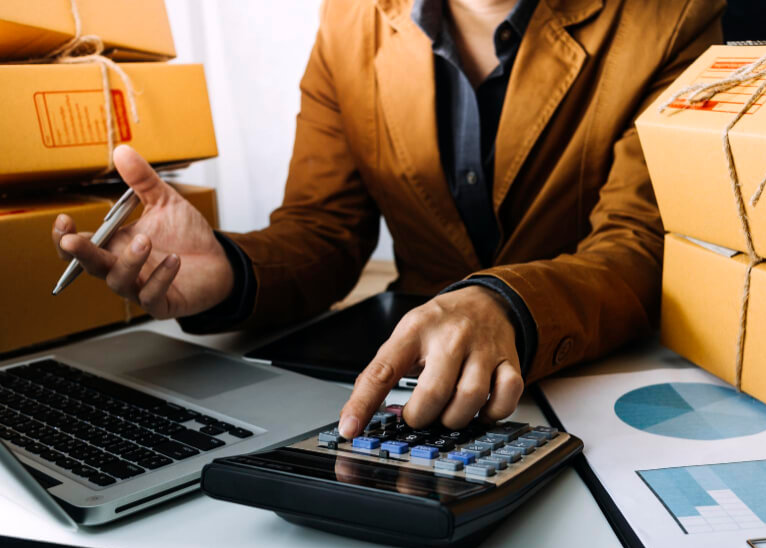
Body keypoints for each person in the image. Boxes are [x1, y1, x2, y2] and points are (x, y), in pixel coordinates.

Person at [51, 0, 724, 439]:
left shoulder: (672, 18)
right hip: (408, 395)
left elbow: (641, 244)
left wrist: (505, 305)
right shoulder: (350, 20)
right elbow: (325, 228)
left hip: (597, 391)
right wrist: (229, 270)